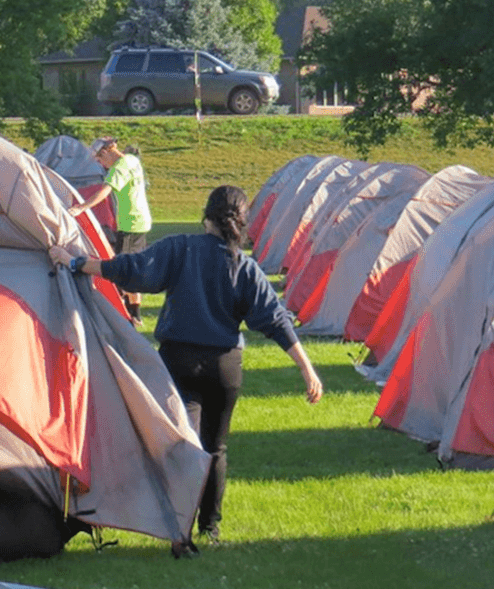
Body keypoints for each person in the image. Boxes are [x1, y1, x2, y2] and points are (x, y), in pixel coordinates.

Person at [50, 185, 323, 544]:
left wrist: (75, 263)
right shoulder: (246, 268)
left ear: (206, 216)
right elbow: (275, 319)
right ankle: (210, 527)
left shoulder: (181, 248)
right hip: (225, 367)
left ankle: (180, 529)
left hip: (179, 360)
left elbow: (132, 270)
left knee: (183, 446)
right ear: (240, 223)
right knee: (216, 447)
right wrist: (307, 369)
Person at [70, 136, 152, 324]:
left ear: (106, 151)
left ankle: (125, 315)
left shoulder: (119, 169)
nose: (101, 164)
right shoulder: (132, 160)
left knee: (122, 271)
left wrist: (82, 207)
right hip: (140, 222)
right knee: (131, 268)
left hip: (131, 225)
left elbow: (104, 191)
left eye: (100, 160)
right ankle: (135, 314)